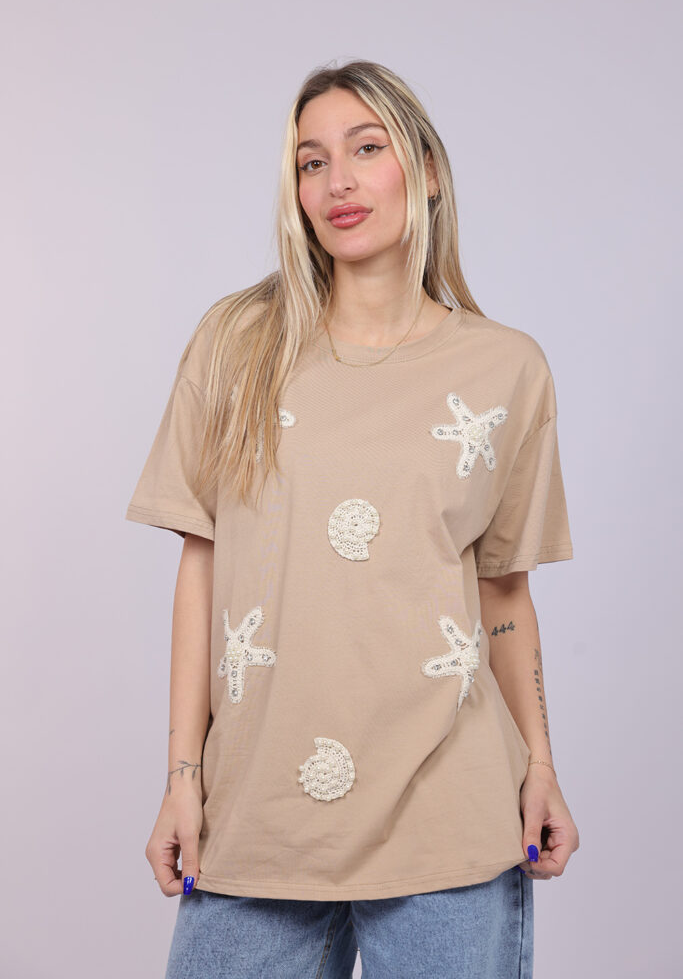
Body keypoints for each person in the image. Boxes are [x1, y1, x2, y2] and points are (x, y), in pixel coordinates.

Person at [125, 58, 580, 979]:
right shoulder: (236, 343)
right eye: (311, 161)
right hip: (260, 815)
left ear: (427, 170)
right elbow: (201, 566)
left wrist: (539, 765)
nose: (337, 181)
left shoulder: (506, 369)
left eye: (366, 149)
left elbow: (502, 592)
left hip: (451, 817)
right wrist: (182, 778)